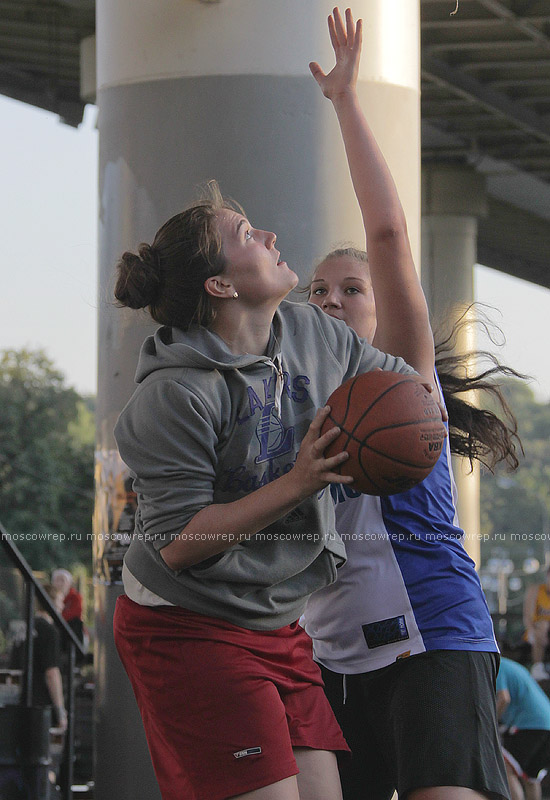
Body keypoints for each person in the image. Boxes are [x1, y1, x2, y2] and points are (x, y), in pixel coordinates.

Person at [111, 9, 428, 800]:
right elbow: (180, 543)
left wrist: (348, 104)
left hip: (274, 622)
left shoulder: (313, 338)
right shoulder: (171, 398)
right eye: (249, 234)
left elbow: (409, 375)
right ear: (221, 284)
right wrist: (301, 480)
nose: (272, 236)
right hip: (184, 622)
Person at [300, 11, 522, 799]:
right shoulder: (285, 404)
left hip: (431, 635)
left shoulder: (402, 379)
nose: (331, 299)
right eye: (317, 290)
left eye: (349, 289)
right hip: (328, 654)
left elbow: (389, 234)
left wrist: (345, 102)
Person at [10, 583, 68, 733]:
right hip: (40, 705)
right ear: (51, 602)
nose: (62, 606)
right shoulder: (49, 631)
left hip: (17, 701)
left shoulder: (24, 627)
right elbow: (52, 673)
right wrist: (60, 711)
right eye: (60, 601)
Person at [496, 657, 550, 800]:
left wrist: (490, 722)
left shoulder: (498, 666)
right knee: (531, 777)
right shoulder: (513, 665)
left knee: (507, 769)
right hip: (546, 723)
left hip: (531, 724)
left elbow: (503, 698)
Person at [523, 569, 550, 681]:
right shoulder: (536, 590)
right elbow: (527, 615)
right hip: (538, 629)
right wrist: (531, 630)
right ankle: (537, 666)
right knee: (543, 625)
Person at [52, 568, 84, 642]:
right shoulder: (50, 596)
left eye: (62, 580)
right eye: (57, 580)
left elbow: (75, 613)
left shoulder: (75, 597)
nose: (59, 583)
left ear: (69, 583)